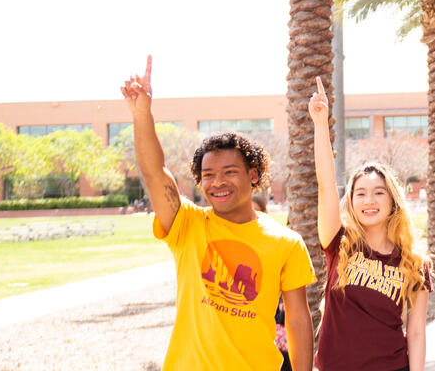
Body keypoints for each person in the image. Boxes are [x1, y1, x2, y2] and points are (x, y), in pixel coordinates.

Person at [120, 56, 314, 370]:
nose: (217, 182)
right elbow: (155, 173)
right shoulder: (187, 224)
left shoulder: (286, 242)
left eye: (229, 172)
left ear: (253, 175)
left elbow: (298, 319)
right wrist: (143, 113)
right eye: (208, 175)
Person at [309, 79, 430, 371]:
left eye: (378, 192)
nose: (369, 200)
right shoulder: (338, 244)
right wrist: (320, 124)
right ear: (351, 202)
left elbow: (415, 331)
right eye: (360, 194)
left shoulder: (414, 262)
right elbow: (326, 186)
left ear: (392, 202)